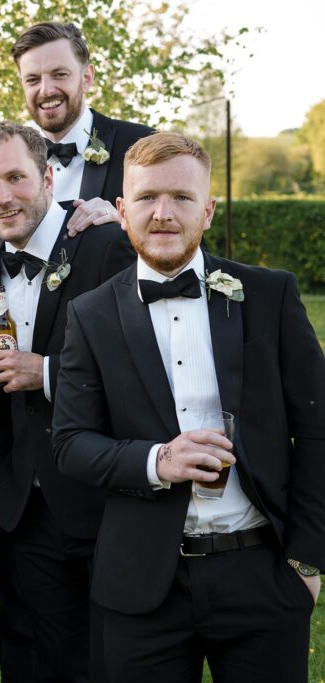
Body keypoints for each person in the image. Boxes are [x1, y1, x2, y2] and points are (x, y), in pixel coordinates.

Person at [51, 132, 325, 683]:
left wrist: (307, 559)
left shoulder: (269, 296)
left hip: (261, 572)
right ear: (122, 211)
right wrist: (158, 461)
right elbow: (71, 443)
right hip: (143, 581)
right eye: (148, 198)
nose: (163, 214)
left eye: (181, 197)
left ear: (209, 209)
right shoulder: (91, 314)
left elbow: (317, 429)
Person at [0, 121, 134, 682]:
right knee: (35, 655)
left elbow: (149, 364)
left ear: (48, 176)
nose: (2, 197)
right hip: (23, 503)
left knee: (112, 658)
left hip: (104, 496)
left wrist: (50, 372)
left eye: (15, 178)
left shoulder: (107, 242)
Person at [13, 21, 153, 237]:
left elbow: (187, 241)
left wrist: (126, 224)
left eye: (59, 74)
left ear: (86, 78)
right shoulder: (11, 155)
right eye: (32, 79)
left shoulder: (142, 145)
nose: (46, 90)